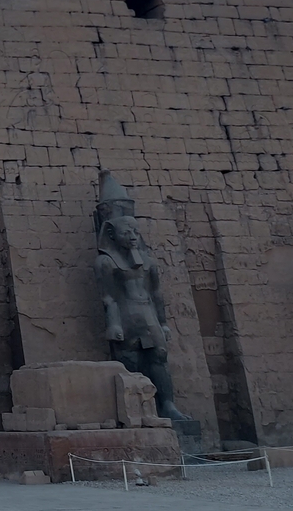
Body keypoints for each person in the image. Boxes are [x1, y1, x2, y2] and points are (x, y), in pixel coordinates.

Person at [95, 172, 187, 421]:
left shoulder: (147, 261)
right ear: (112, 234)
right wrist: (113, 324)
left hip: (147, 313)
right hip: (125, 315)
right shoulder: (106, 261)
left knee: (158, 356)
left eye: (136, 232)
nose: (134, 237)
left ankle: (167, 404)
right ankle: (134, 410)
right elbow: (109, 297)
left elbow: (156, 294)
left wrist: (164, 322)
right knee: (129, 360)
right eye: (127, 233)